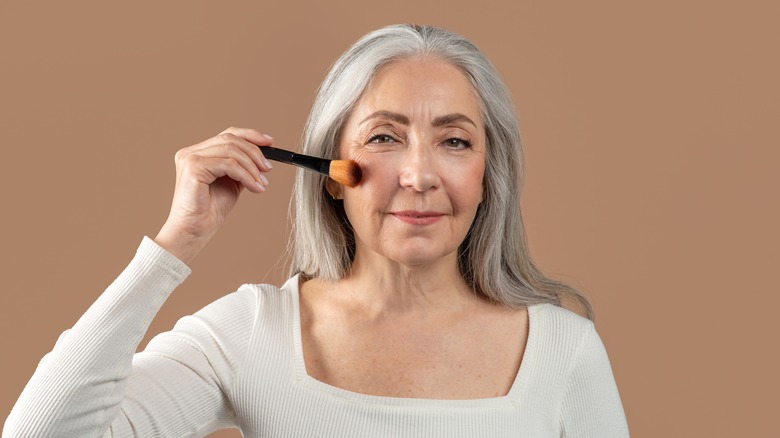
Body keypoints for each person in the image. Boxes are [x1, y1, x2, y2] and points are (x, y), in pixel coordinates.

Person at [4, 24, 629, 437]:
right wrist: (176, 243)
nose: (418, 175)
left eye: (455, 141)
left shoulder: (563, 351)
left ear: (489, 173)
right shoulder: (252, 333)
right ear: (332, 173)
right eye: (384, 137)